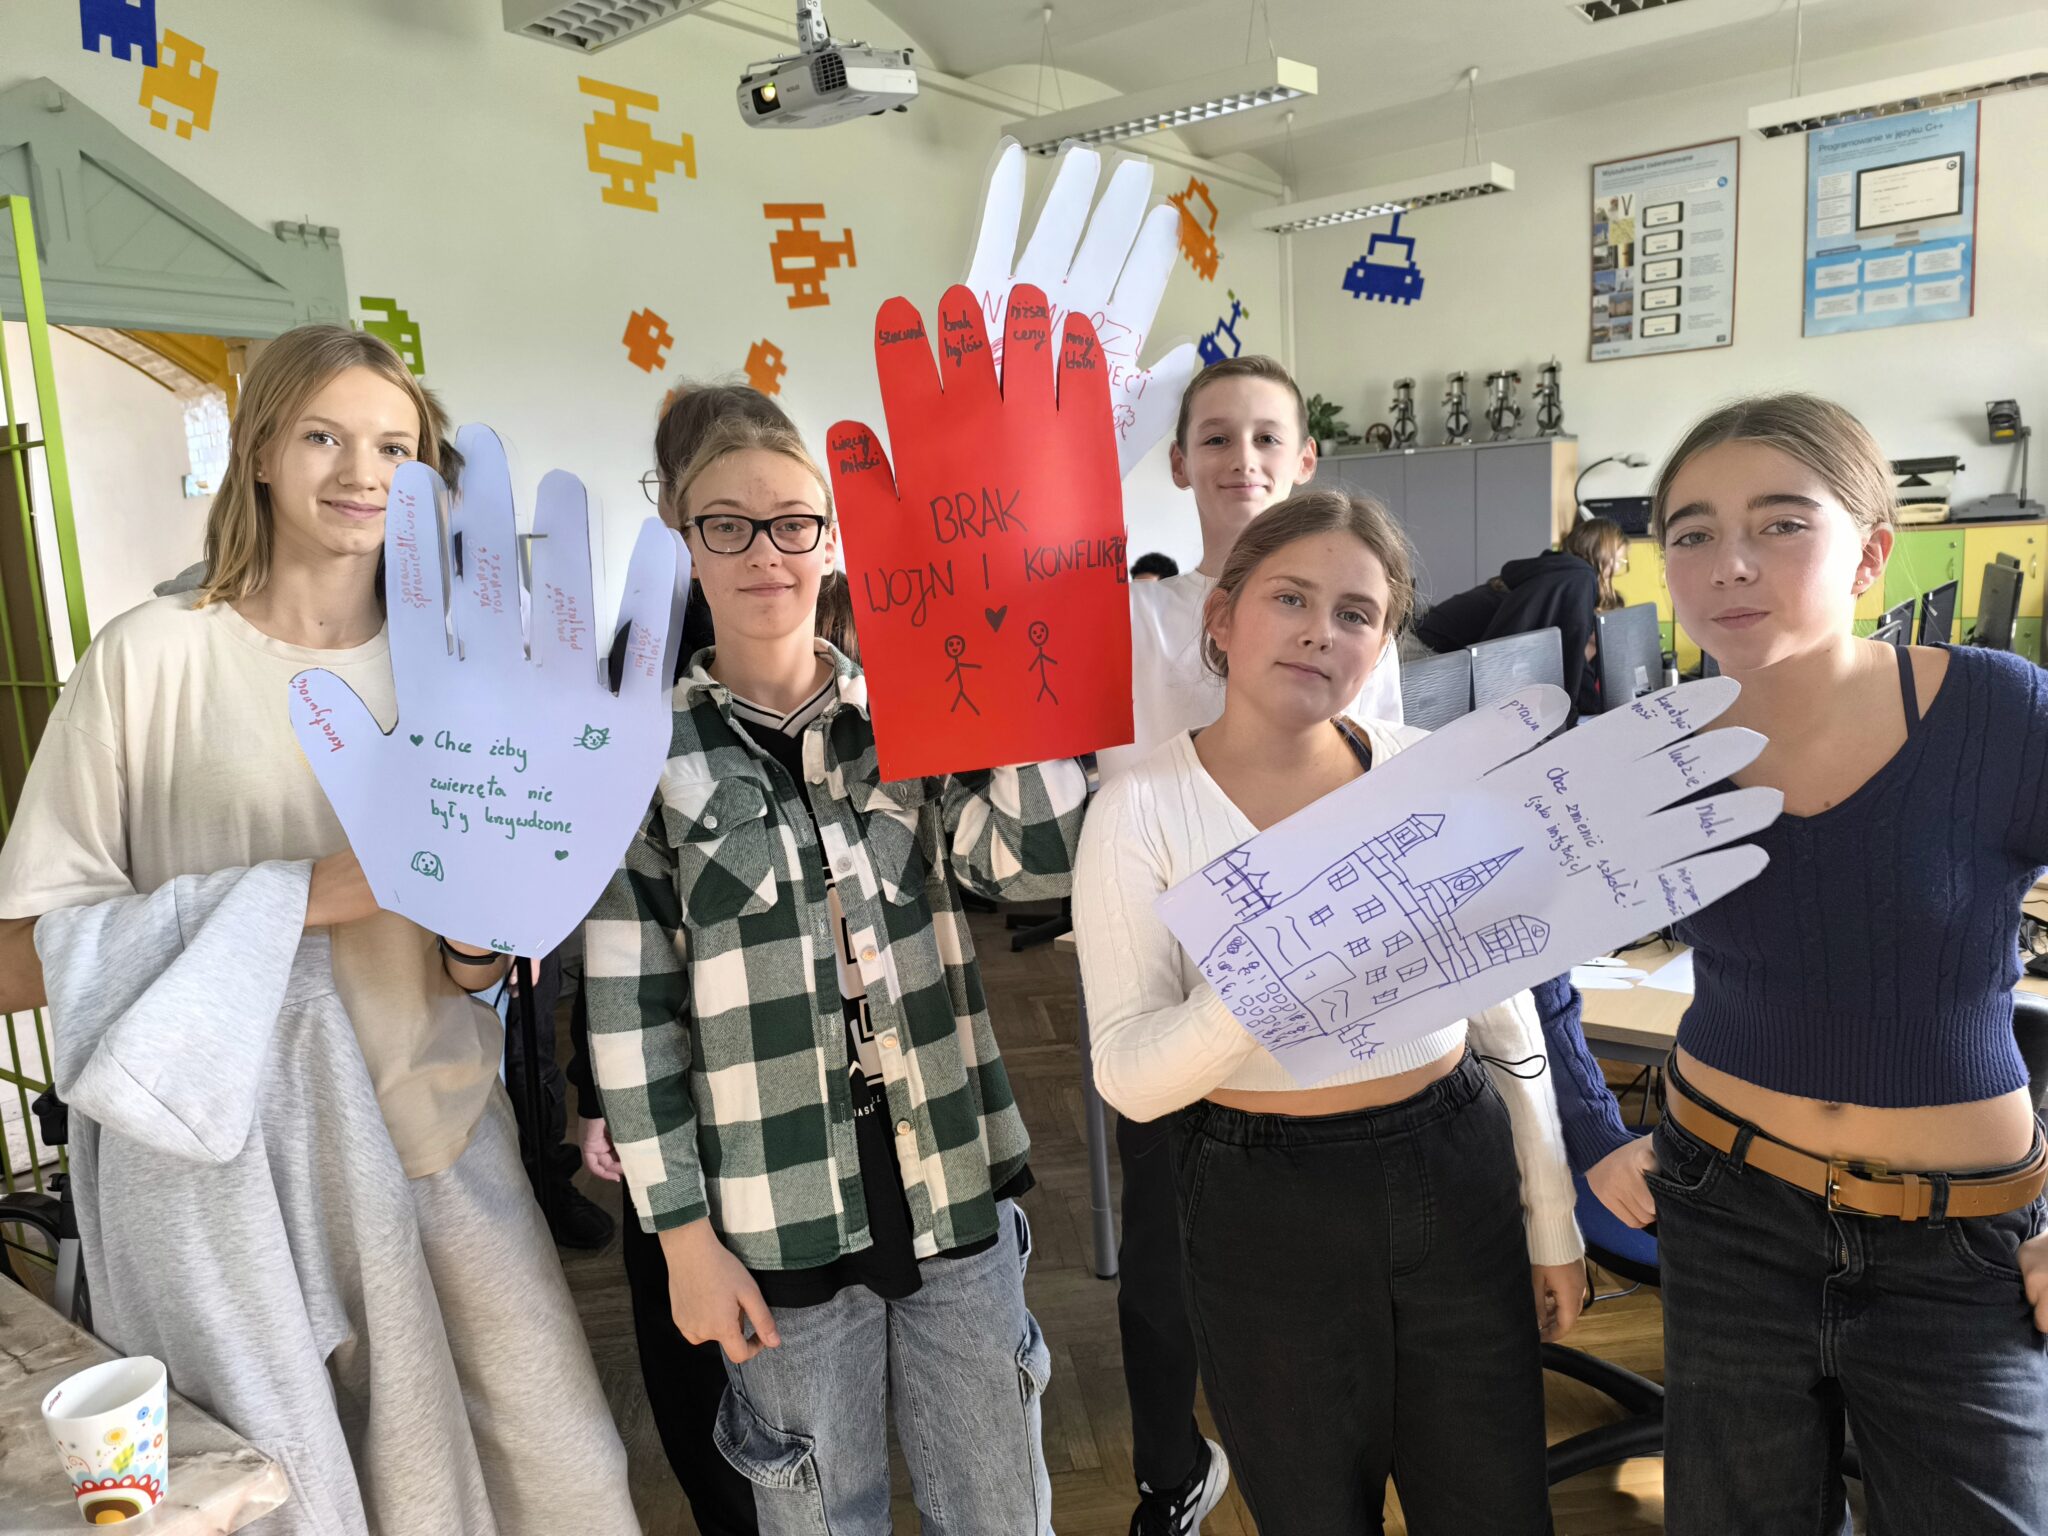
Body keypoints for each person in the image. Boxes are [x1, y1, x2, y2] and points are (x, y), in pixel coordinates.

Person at [0, 324, 638, 1535]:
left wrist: (483, 934)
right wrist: (301, 894)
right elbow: (17, 961)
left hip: (437, 1134)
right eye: (322, 437)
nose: (362, 472)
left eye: (395, 447)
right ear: (257, 452)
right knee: (296, 1499)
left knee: (564, 1478)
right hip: (221, 1179)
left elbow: (472, 963)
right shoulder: (150, 660)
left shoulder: (467, 672)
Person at [583, 406, 1084, 1535]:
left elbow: (1031, 859)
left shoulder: (911, 706)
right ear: (682, 541)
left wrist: (1007, 655)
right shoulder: (639, 753)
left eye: (792, 523)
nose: (764, 550)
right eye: (727, 524)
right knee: (817, 1510)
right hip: (773, 1213)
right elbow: (630, 1016)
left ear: (831, 540)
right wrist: (682, 1241)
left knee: (998, 1503)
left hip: (947, 1177)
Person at [1074, 488, 1582, 1534]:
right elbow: (1128, 1074)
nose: (1319, 630)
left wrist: (1552, 1214)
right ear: (1223, 618)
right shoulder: (1137, 811)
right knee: (1311, 1511)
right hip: (1261, 1202)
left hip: (1453, 1169)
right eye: (1290, 598)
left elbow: (1505, 1017)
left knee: (1494, 1503)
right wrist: (1271, 979)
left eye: (1355, 613)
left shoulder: (1425, 773)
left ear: (1382, 643)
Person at [1589, 393, 2048, 1533]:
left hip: (1962, 1243)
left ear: (1870, 555)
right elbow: (1521, 945)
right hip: (1725, 1208)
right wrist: (1594, 1129)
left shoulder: (2000, 716)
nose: (1730, 564)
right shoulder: (1648, 754)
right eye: (1692, 533)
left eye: (1781, 524)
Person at [1091, 355, 1401, 1534]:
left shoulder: (1350, 624)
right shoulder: (1131, 616)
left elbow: (1381, 791)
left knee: (1312, 1245)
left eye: (1267, 437)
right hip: (1167, 980)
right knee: (1161, 1253)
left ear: (1304, 459)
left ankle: (1332, 1438)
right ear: (1177, 463)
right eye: (1215, 438)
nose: (1242, 460)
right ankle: (1169, 1469)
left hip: (1321, 990)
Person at [1412, 516, 1627, 721]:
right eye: (1620, 560)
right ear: (1605, 555)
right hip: (1425, 652)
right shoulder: (1578, 578)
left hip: (1434, 641)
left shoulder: (1561, 573)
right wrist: (1567, 714)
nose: (1619, 568)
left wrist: (1595, 705)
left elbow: (1570, 653)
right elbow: (1572, 650)